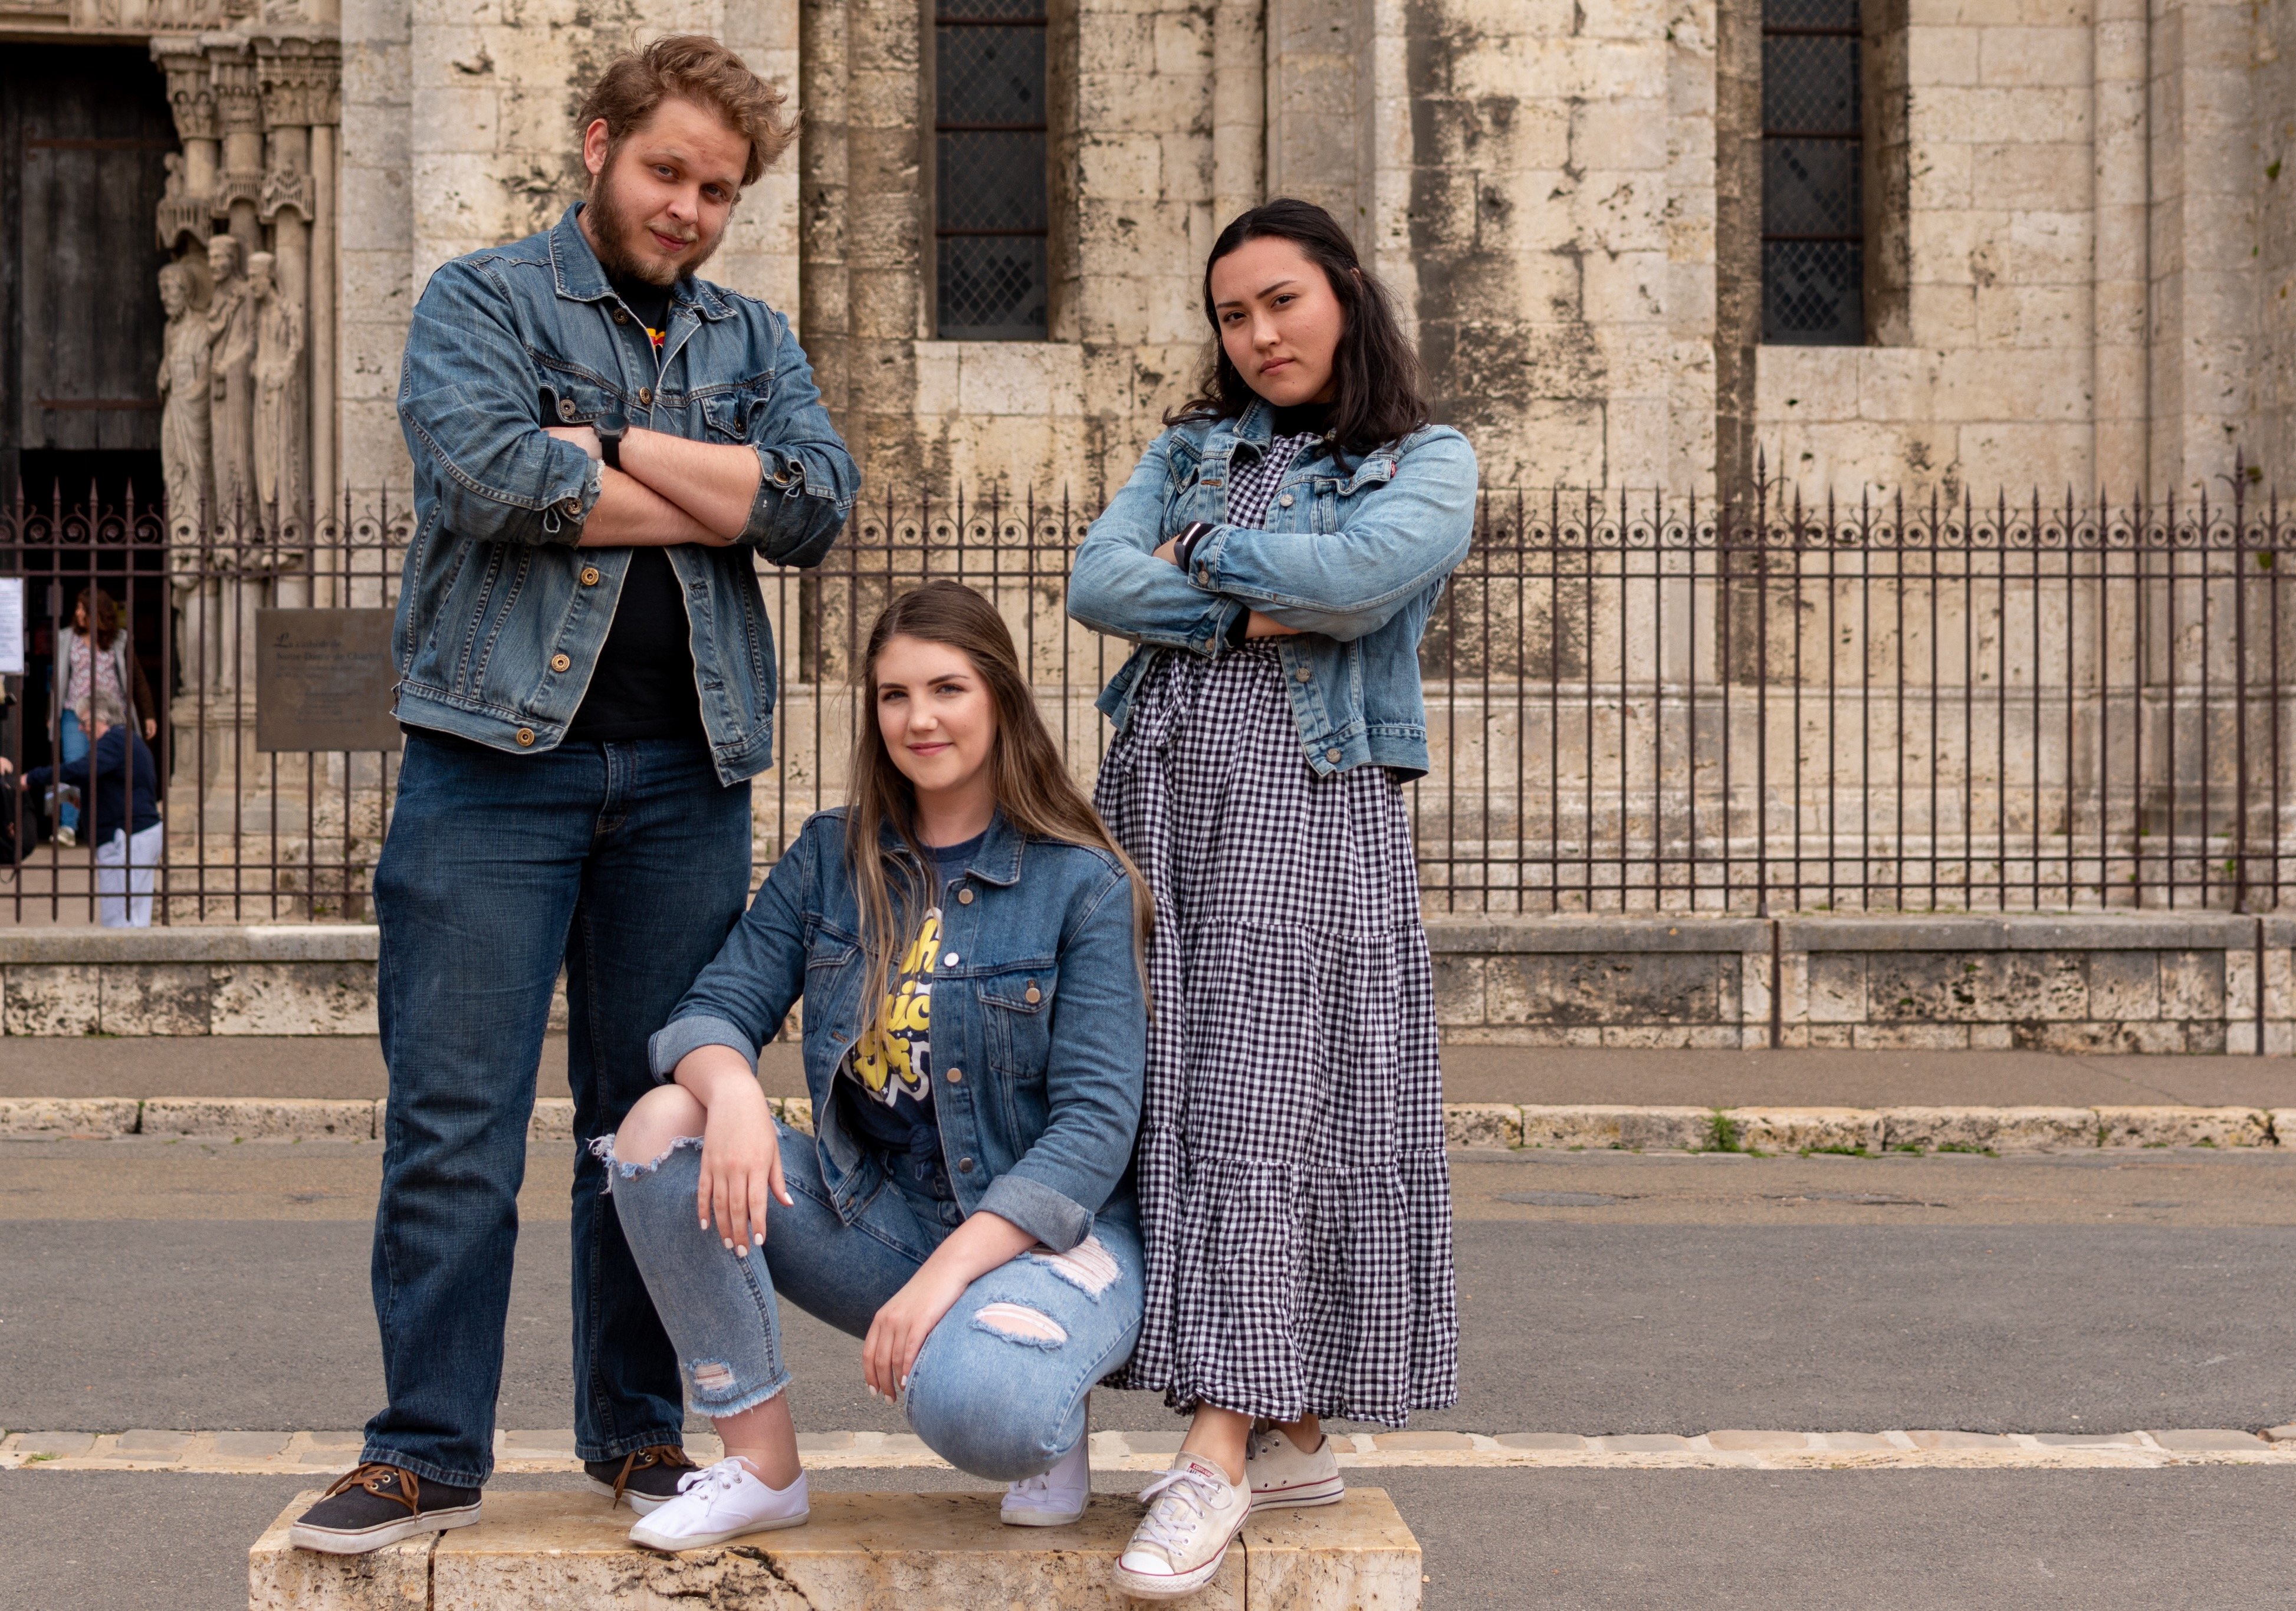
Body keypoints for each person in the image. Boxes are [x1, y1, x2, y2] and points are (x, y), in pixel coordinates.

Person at [290, 36, 859, 1556]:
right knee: (455, 1123)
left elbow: (812, 506)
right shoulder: (483, 300)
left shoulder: (754, 332)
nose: (686, 209)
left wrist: (604, 440)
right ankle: (424, 1450)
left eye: (717, 190)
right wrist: (707, 488)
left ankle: (638, 1435)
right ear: (601, 145)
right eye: (666, 171)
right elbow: (486, 475)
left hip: (686, 776)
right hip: (493, 768)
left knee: (646, 1128)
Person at [1065, 198, 1474, 1599]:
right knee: (1170, 1087)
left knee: (1262, 1105)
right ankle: (1290, 1424)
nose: (1258, 334)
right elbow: (1093, 580)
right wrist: (1252, 605)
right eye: (1235, 314)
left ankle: (1216, 1451)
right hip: (1163, 799)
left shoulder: (1427, 459)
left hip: (1303, 798)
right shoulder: (1192, 445)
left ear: (1347, 296)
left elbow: (1362, 582)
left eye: (1282, 302)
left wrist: (1203, 569)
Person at [598, 581, 1149, 1552]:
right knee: (657, 1127)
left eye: (947, 689)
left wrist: (945, 1280)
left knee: (988, 1418)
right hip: (882, 1218)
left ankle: (1035, 1391)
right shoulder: (831, 857)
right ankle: (762, 1467)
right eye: (894, 695)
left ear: (1000, 700)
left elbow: (1095, 1126)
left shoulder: (1080, 880)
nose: (919, 718)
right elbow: (714, 1008)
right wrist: (727, 1090)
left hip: (1048, 1241)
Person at [8, 695, 162, 927]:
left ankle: (126, 962)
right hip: (127, 834)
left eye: (85, 722)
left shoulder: (116, 740)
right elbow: (114, 785)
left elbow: (82, 769)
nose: (81, 729)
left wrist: (32, 777)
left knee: (127, 917)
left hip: (130, 835)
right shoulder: (121, 742)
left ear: (102, 718)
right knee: (122, 915)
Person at [50, 588, 158, 847]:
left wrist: (149, 715)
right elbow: (58, 680)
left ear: (97, 612)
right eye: (77, 608)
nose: (77, 613)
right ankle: (68, 826)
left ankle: (110, 824)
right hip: (73, 713)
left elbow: (137, 679)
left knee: (112, 769)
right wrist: (50, 714)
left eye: (82, 608)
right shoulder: (67, 639)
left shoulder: (119, 640)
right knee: (75, 764)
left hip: (111, 716)